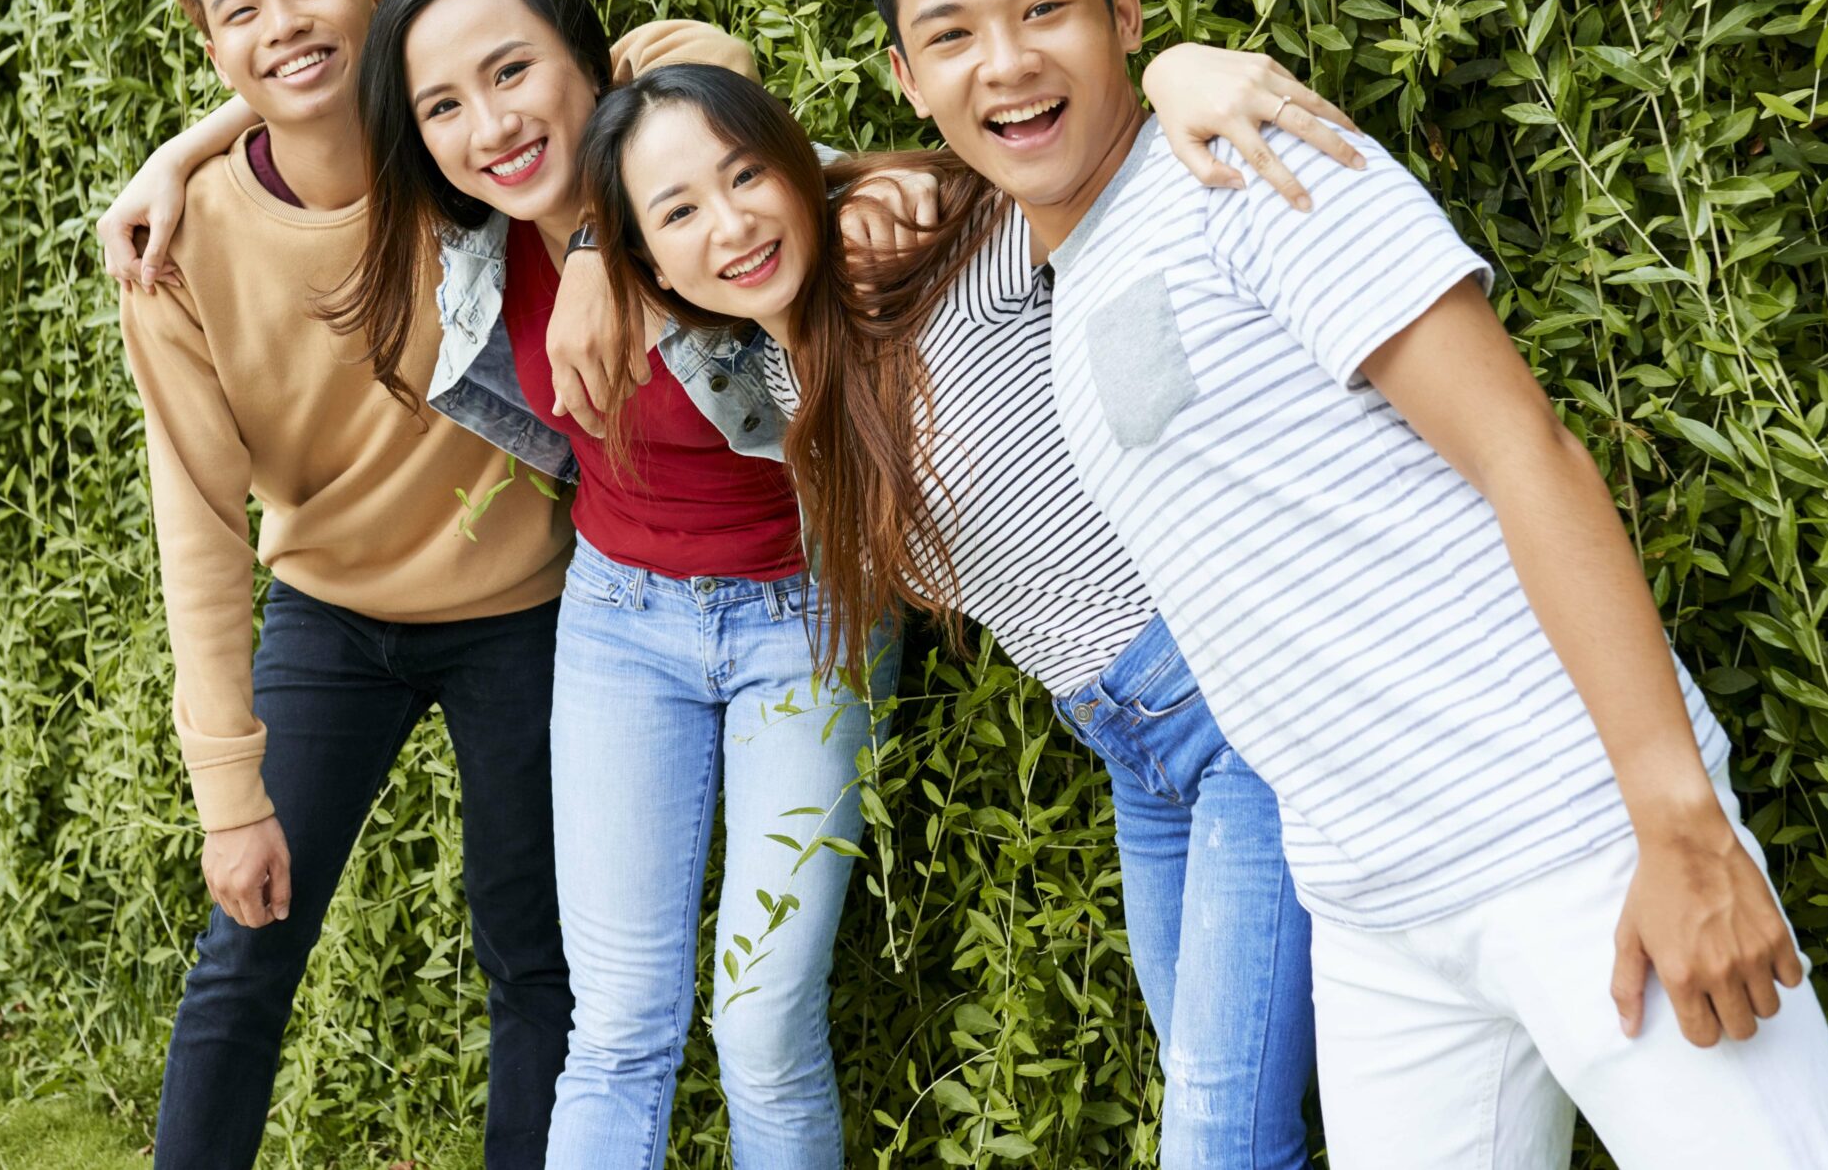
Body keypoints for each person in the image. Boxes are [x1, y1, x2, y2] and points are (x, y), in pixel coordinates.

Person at [844, 0, 1828, 1169]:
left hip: (1571, 839)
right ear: (907, 75)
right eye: (953, 34)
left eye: (1045, 8)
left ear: (1123, 10)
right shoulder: (1055, 275)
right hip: (1377, 916)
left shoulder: (1246, 165)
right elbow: (733, 180)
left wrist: (1675, 822)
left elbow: (1528, 451)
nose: (1007, 61)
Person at [575, 58, 1350, 1170]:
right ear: (651, 257)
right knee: (1208, 1099)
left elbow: (1092, 159)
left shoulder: (931, 257)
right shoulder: (772, 374)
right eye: (680, 211)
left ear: (799, 165)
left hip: (1233, 712)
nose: (731, 221)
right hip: (1133, 749)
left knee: (1222, 1140)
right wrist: (592, 257)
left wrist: (1176, 69)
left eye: (748, 173)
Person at [111, 0, 753, 1170]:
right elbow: (198, 530)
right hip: (331, 615)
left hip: (523, 606)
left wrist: (587, 248)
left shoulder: (463, 150)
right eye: (240, 10)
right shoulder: (174, 251)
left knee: (533, 948)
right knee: (245, 952)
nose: (282, 24)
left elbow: (687, 65)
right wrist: (228, 789)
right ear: (208, 43)